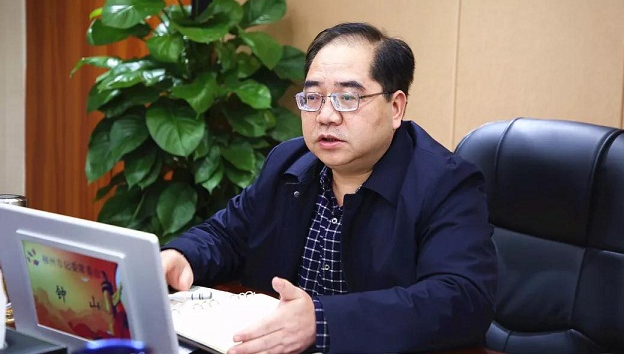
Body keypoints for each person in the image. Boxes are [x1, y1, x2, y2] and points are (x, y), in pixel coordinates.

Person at [162, 22, 497, 353]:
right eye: (313, 97)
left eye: (347, 97)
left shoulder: (446, 183)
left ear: (395, 107)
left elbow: (461, 299)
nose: (325, 116)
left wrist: (323, 322)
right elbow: (228, 235)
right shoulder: (289, 162)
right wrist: (182, 256)